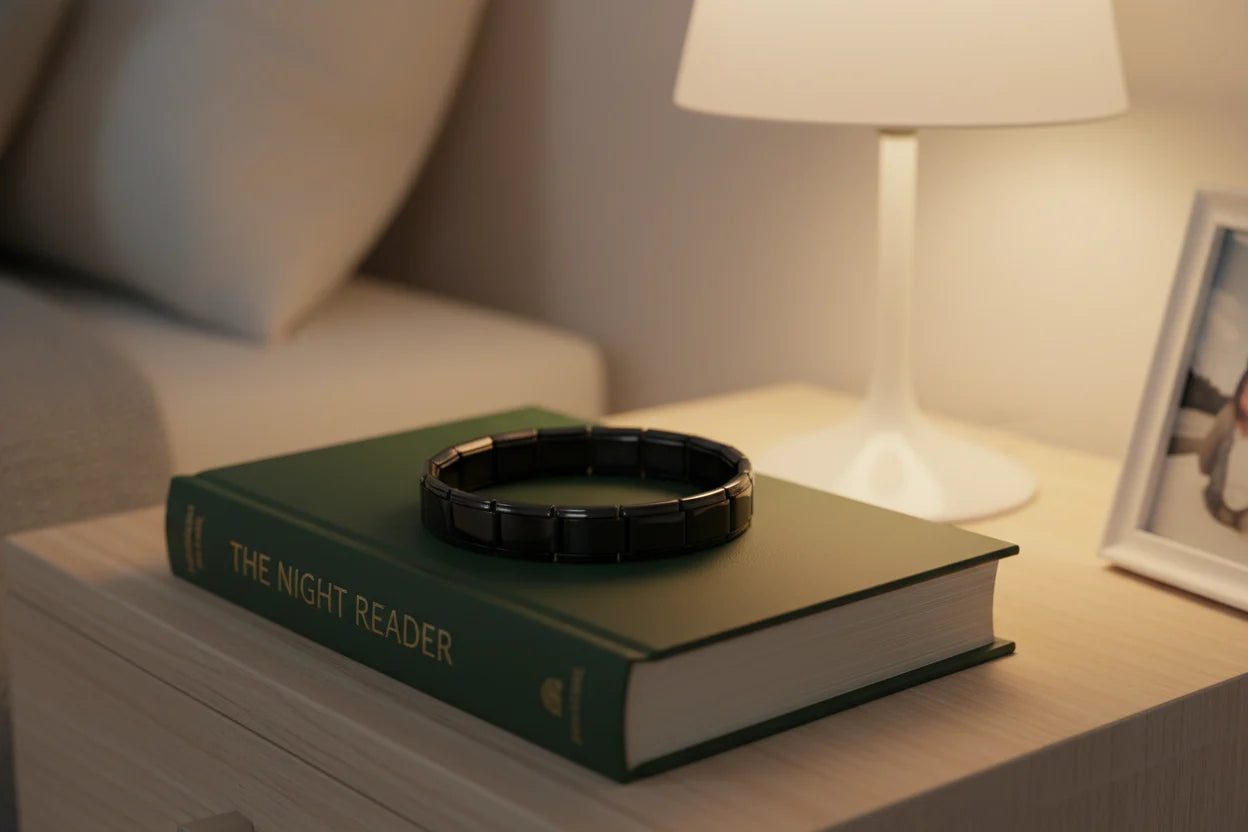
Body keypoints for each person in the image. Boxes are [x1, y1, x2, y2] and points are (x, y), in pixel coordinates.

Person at [1197, 364, 1248, 529]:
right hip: (1219, 495)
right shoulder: (1228, 416)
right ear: (1240, 393)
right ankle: (1218, 503)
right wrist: (1205, 467)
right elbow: (1209, 447)